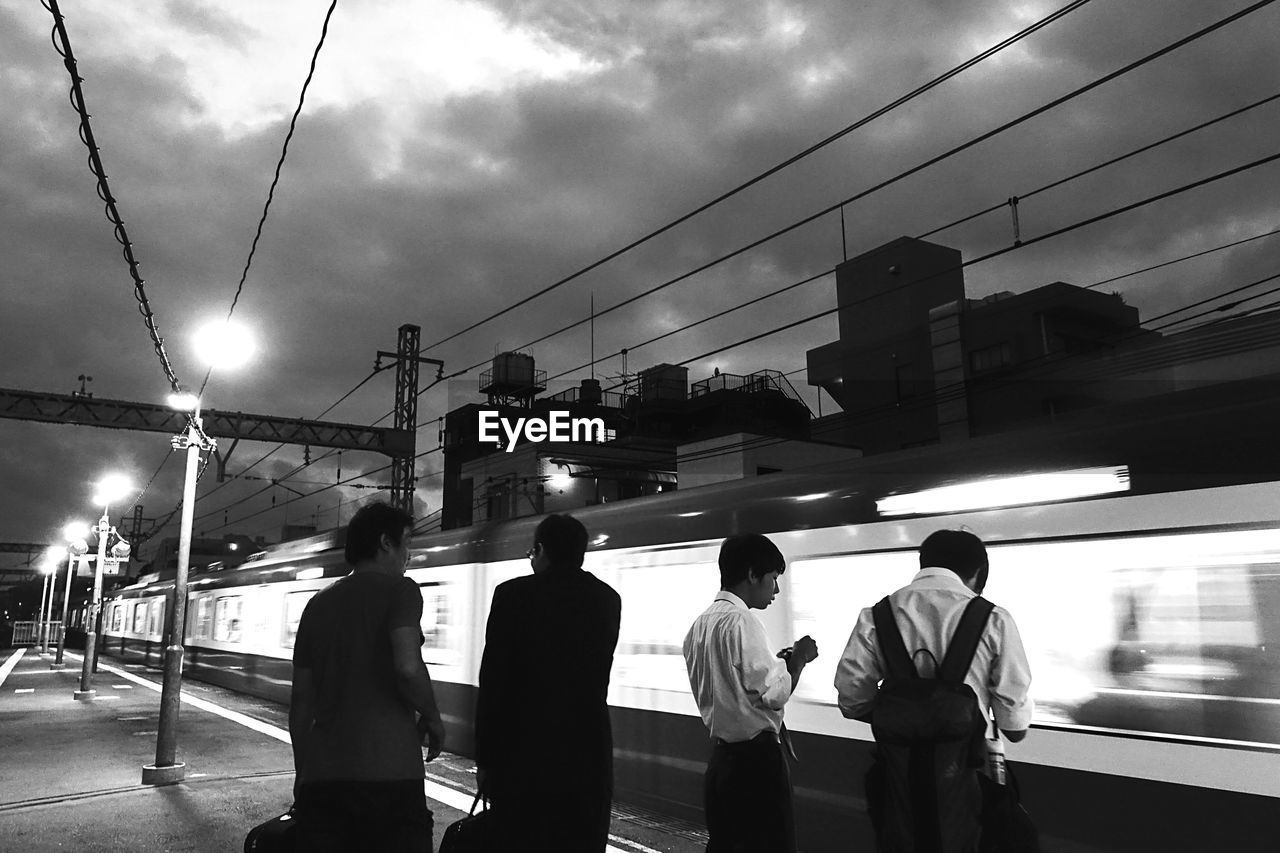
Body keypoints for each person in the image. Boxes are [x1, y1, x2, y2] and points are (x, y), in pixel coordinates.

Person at [833, 529, 1033, 851]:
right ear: (977, 573)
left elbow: (852, 700)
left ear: (923, 563)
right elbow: (1014, 727)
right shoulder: (995, 619)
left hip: (898, 780)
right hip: (970, 780)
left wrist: (903, 714)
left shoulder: (876, 616)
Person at [289, 502, 446, 852]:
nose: (409, 553)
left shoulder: (317, 604)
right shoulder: (402, 591)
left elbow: (301, 702)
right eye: (407, 541)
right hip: (390, 773)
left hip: (324, 779)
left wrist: (304, 774)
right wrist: (434, 718)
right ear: (385, 543)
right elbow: (407, 667)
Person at [474, 514, 621, 852]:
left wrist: (485, 759)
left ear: (540, 550)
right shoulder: (607, 599)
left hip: (522, 758)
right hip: (588, 757)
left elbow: (494, 682)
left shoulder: (511, 595)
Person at [682, 533, 819, 853]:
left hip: (722, 762)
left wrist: (779, 663)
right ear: (752, 574)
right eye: (772, 578)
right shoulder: (742, 621)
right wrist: (799, 659)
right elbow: (773, 694)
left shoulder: (698, 626)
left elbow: (735, 683)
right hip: (757, 765)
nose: (776, 589)